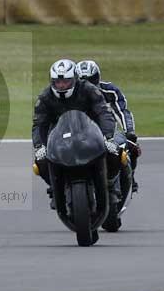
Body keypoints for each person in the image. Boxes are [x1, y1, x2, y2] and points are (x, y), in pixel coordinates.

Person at [32, 58, 119, 209]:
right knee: (40, 161)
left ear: (74, 79)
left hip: (90, 133)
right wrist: (40, 146)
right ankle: (56, 188)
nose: (61, 85)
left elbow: (104, 113)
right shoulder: (45, 97)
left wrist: (108, 137)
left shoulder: (88, 89)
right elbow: (39, 124)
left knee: (115, 152)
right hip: (59, 138)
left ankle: (109, 184)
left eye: (65, 81)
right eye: (57, 82)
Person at [75, 59, 140, 192]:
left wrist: (130, 131)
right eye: (83, 81)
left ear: (98, 78)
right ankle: (57, 187)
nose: (88, 85)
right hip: (77, 134)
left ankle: (130, 179)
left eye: (91, 80)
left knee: (131, 146)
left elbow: (122, 111)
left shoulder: (110, 91)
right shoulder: (69, 95)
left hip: (107, 134)